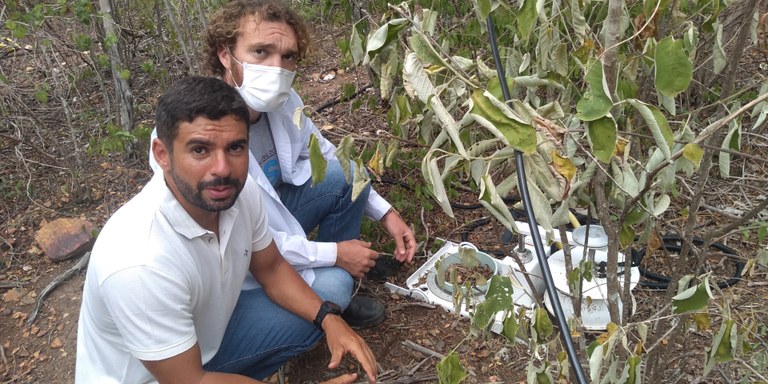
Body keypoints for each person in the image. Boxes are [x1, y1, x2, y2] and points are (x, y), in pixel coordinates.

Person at [77, 76, 377, 383]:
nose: (222, 168)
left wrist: (328, 319)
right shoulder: (140, 261)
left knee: (321, 301)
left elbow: (272, 268)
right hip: (162, 376)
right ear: (162, 154)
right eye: (199, 150)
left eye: (235, 147)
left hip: (207, 339)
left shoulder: (241, 192)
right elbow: (190, 381)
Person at [152, 0, 417, 327]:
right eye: (260, 52)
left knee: (347, 171)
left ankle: (340, 279)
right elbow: (241, 242)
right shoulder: (196, 131)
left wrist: (386, 213)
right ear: (225, 54)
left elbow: (328, 154)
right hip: (241, 264)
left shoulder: (284, 102)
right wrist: (335, 253)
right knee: (332, 290)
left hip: (276, 220)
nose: (276, 68)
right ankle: (331, 287)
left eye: (287, 56)